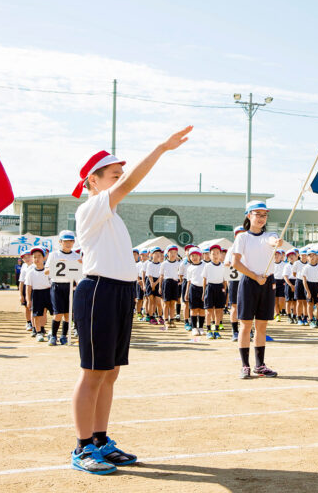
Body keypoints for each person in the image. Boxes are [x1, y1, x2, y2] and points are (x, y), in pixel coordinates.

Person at [70, 126, 192, 474]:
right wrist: (160, 149)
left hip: (121, 293)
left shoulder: (111, 217)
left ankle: (100, 440)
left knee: (110, 374)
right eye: (112, 175)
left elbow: (125, 188)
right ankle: (82, 448)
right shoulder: (91, 208)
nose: (120, 180)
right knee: (92, 373)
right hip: (98, 292)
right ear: (93, 181)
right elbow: (129, 186)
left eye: (120, 175)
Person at [230, 200, 282, 379]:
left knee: (262, 325)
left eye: (264, 215)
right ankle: (245, 365)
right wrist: (255, 277)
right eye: (257, 214)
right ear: (248, 215)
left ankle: (260, 365)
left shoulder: (270, 235)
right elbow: (236, 263)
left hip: (267, 282)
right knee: (245, 325)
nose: (261, 218)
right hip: (249, 282)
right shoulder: (242, 237)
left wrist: (277, 242)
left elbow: (272, 240)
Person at [45, 230, 81, 345]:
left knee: (68, 314)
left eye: (71, 241)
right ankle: (53, 336)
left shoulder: (76, 256)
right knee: (58, 313)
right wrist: (57, 265)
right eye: (65, 241)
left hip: (70, 286)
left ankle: (64, 336)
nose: (68, 244)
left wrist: (81, 264)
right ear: (60, 242)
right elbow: (46, 271)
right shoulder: (54, 255)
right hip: (57, 286)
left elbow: (79, 273)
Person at [26, 247, 52, 341]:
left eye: (39, 256)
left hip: (49, 292)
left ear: (44, 258)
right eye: (34, 257)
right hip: (37, 294)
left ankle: (52, 331)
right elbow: (28, 287)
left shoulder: (49, 271)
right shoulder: (30, 273)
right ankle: (38, 333)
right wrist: (28, 300)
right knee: (37, 315)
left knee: (55, 313)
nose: (37, 259)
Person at [203, 244, 227, 339]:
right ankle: (209, 330)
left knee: (219, 310)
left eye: (217, 253)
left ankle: (216, 330)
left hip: (220, 287)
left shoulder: (223, 266)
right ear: (210, 255)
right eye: (213, 253)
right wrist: (203, 292)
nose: (215, 255)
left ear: (220, 254)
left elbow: (225, 280)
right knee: (209, 310)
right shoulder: (207, 266)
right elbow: (204, 279)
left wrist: (224, 290)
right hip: (210, 287)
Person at [185, 247, 206, 339]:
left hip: (203, 288)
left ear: (200, 256)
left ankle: (201, 327)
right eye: (192, 256)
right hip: (193, 289)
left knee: (202, 309)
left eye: (196, 255)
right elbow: (188, 281)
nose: (194, 257)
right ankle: (194, 327)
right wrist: (186, 293)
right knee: (193, 309)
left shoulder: (205, 265)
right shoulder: (189, 268)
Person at [159, 245, 180, 330]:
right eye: (171, 252)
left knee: (172, 303)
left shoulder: (178, 264)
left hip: (175, 283)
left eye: (175, 252)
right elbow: (161, 275)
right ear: (167, 253)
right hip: (166, 282)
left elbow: (180, 275)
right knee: (166, 303)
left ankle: (172, 319)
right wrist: (160, 287)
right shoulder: (164, 264)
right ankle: (165, 320)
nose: (173, 254)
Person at [19, 250, 33, 331]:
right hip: (25, 287)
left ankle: (37, 324)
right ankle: (28, 322)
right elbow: (21, 281)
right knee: (27, 307)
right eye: (24, 257)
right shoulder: (24, 266)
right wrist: (21, 294)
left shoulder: (36, 265)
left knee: (35, 307)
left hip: (34, 287)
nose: (27, 259)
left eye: (28, 256)